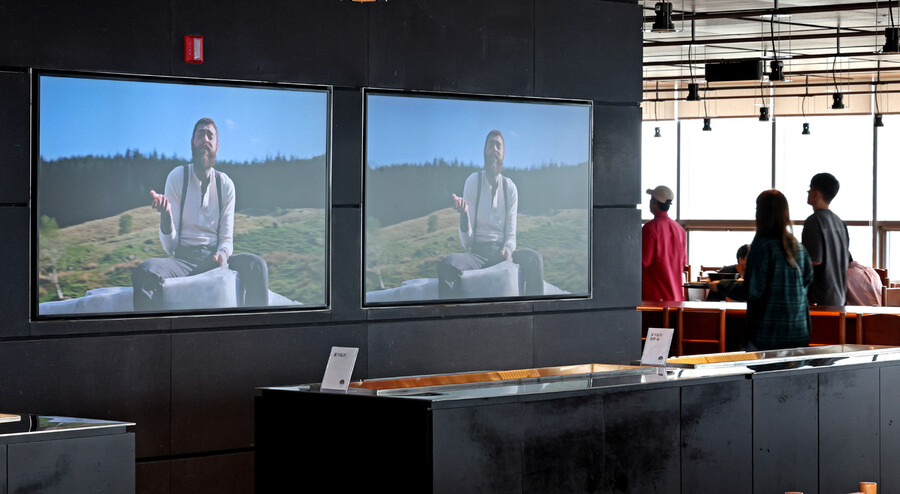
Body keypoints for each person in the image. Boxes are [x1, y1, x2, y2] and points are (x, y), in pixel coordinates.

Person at [132, 117, 269, 311]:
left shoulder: (226, 185)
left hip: (214, 260)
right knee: (144, 272)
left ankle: (256, 336)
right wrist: (166, 217)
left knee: (257, 266)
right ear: (192, 143)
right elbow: (169, 247)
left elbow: (226, 237)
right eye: (200, 135)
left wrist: (222, 254)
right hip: (182, 262)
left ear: (216, 147)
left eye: (209, 136)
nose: (205, 139)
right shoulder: (177, 177)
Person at [437, 130, 543, 299]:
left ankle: (535, 319)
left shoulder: (510, 189)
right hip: (477, 256)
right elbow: (467, 243)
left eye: (498, 146)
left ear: (503, 155)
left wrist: (507, 250)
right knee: (447, 265)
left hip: (501, 254)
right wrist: (464, 216)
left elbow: (511, 235)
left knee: (534, 260)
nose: (494, 149)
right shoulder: (473, 182)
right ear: (484, 152)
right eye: (490, 145)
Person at [711, 190, 813, 350]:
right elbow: (807, 280)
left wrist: (720, 285)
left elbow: (751, 290)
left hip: (767, 333)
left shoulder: (762, 247)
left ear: (760, 214)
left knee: (761, 374)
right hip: (798, 330)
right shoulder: (798, 247)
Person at [802, 172, 850, 306]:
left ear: (816, 193)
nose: (808, 192)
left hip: (820, 300)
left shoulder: (814, 221)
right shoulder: (840, 223)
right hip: (839, 298)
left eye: (810, 189)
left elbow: (814, 260)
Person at [642, 185, 686, 301]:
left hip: (654, 297)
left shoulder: (649, 228)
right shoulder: (680, 229)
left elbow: (643, 262)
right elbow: (683, 263)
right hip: (676, 298)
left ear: (654, 203)